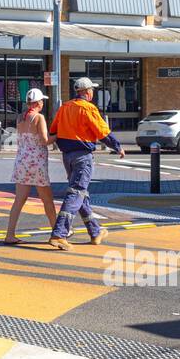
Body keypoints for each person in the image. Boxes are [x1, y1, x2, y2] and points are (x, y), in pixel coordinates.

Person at [48, 76, 124, 250]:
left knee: (80, 193)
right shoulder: (88, 109)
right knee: (76, 193)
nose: (93, 93)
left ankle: (95, 231)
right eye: (92, 90)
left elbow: (54, 131)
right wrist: (117, 147)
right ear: (87, 92)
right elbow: (102, 132)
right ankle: (59, 234)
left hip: (67, 156)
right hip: (83, 156)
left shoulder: (64, 108)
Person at [3, 89, 57, 244]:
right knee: (47, 200)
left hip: (22, 162)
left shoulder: (20, 118)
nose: (42, 104)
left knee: (19, 200)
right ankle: (57, 233)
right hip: (37, 163)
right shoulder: (39, 117)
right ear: (39, 103)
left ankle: (10, 234)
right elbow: (45, 140)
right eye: (42, 101)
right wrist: (58, 135)